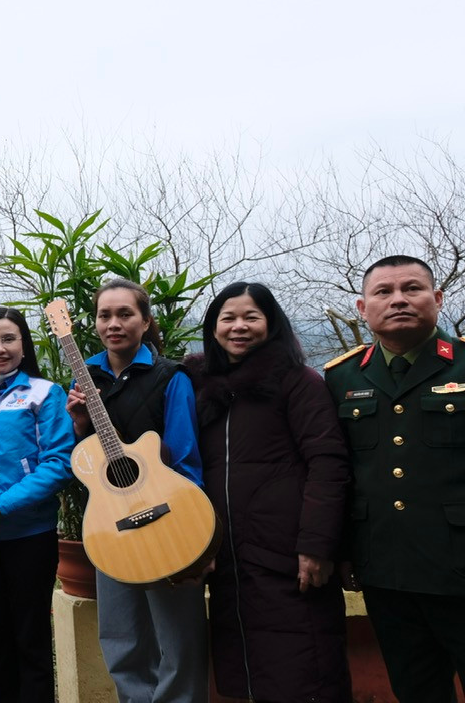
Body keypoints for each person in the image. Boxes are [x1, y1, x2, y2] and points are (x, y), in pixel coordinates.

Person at [188, 282, 351, 701]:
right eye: (228, 318)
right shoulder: (201, 387)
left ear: (271, 323)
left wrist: (317, 545)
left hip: (288, 556)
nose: (239, 327)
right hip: (229, 560)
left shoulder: (298, 381)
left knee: (305, 673)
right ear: (213, 327)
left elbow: (328, 463)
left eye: (251, 317)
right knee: (246, 677)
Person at [324, 255, 465, 702]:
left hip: (460, 564)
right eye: (383, 292)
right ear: (363, 308)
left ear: (438, 299)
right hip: (386, 568)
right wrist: (344, 551)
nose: (398, 299)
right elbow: (337, 472)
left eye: (412, 289)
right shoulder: (341, 377)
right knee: (416, 689)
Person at [64, 278, 207, 703]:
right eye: (104, 315)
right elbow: (82, 463)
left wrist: (191, 527)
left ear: (145, 321)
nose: (114, 323)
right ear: (93, 323)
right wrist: (79, 425)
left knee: (179, 640)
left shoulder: (171, 377)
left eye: (125, 314)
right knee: (121, 636)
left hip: (169, 516)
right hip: (110, 522)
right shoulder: (84, 376)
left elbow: (185, 455)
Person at [0, 307, 75, 703]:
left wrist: (3, 506)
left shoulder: (45, 393)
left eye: (9, 339)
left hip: (31, 536)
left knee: (30, 639)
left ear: (24, 344)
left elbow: (59, 463)